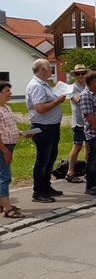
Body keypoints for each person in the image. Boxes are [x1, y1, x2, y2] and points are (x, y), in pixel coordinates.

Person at [26, 58, 65, 203]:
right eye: (49, 68)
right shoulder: (36, 86)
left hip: (52, 127)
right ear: (42, 69)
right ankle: (38, 192)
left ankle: (46, 186)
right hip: (43, 128)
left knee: (50, 159)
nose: (51, 70)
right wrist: (57, 101)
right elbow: (40, 108)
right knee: (42, 160)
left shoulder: (44, 84)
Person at [0, 81, 30, 218]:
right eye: (7, 91)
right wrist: (5, 150)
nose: (10, 93)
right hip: (3, 147)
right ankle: (7, 208)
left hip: (8, 146)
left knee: (3, 175)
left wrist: (22, 132)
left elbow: (10, 127)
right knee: (4, 176)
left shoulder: (6, 108)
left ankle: (3, 202)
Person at [67, 64, 88, 183]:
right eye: (78, 74)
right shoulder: (73, 88)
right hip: (79, 122)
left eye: (83, 73)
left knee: (88, 146)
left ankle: (89, 170)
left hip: (88, 122)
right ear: (75, 75)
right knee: (78, 145)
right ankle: (70, 171)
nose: (81, 76)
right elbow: (78, 100)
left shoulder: (88, 86)